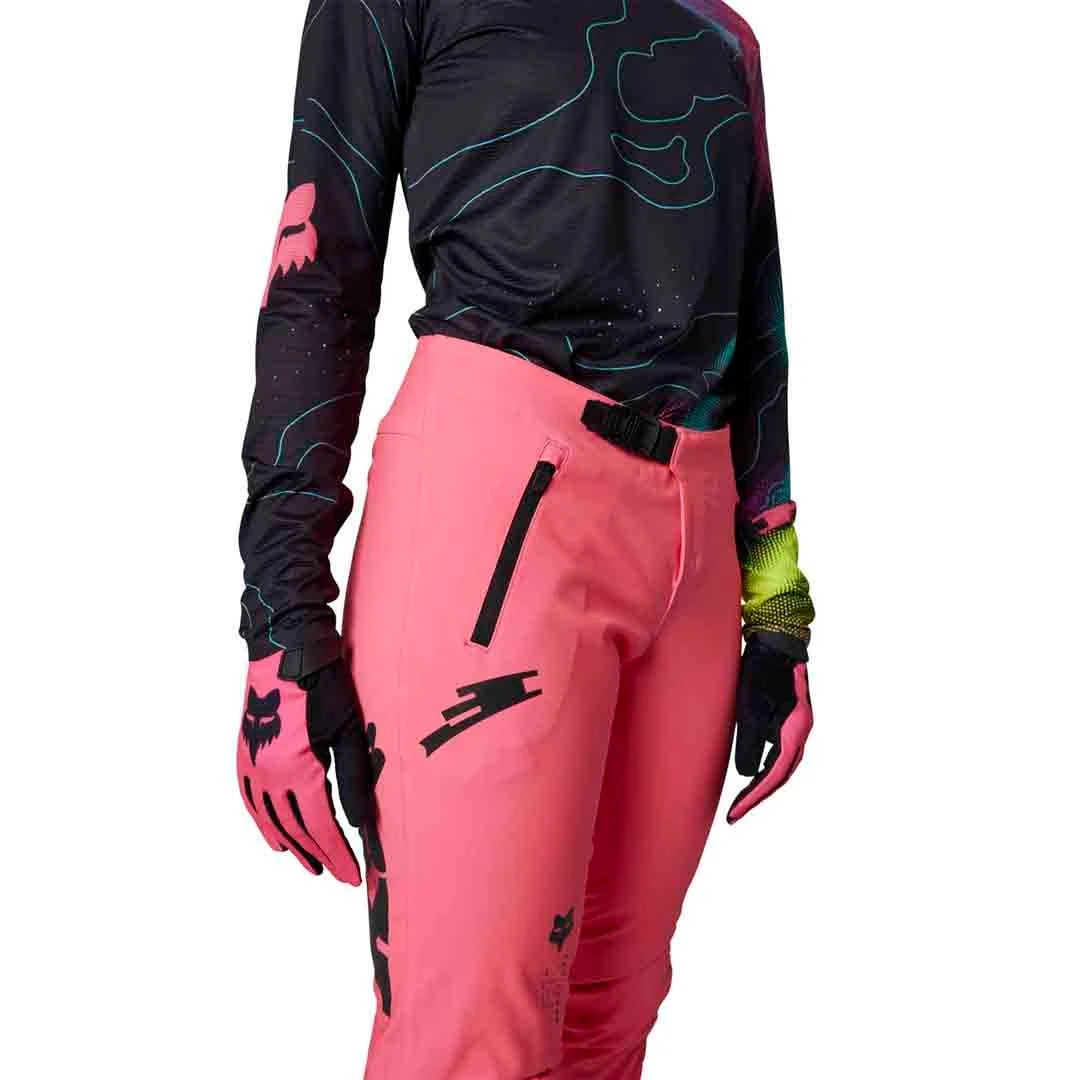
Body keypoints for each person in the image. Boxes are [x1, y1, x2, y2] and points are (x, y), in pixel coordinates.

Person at [235, 1, 815, 1076]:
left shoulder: (719, 32)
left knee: (607, 1029)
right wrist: (281, 620)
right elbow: (322, 270)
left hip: (693, 538)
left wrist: (778, 611)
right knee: (468, 1045)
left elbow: (756, 321)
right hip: (499, 503)